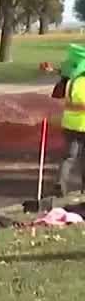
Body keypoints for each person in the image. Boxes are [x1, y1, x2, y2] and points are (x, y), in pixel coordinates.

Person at [55, 44, 85, 196]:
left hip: (69, 124)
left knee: (68, 157)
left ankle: (60, 184)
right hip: (83, 124)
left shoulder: (72, 81)